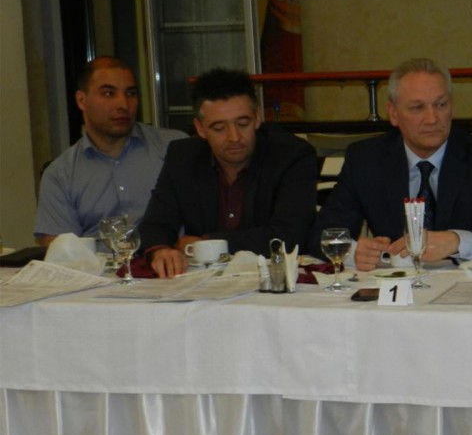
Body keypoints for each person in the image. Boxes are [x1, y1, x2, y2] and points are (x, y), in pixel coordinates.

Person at [310, 57, 472, 270]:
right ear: (394, 113)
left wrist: (456, 241)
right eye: (417, 108)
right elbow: (320, 235)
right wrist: (353, 251)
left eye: (440, 105)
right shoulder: (366, 160)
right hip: (394, 284)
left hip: (468, 285)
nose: (432, 119)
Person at [141, 68, 317, 278]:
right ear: (200, 128)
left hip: (271, 278)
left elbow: (289, 235)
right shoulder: (183, 157)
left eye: (243, 124)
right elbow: (156, 223)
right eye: (219, 128)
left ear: (258, 118)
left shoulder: (291, 155)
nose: (234, 137)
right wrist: (160, 250)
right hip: (203, 281)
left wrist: (207, 244)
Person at [34, 56, 186, 246]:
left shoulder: (174, 148)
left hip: (171, 260)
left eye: (130, 93)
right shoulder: (61, 175)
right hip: (98, 264)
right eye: (108, 94)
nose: (123, 104)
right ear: (81, 100)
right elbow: (60, 249)